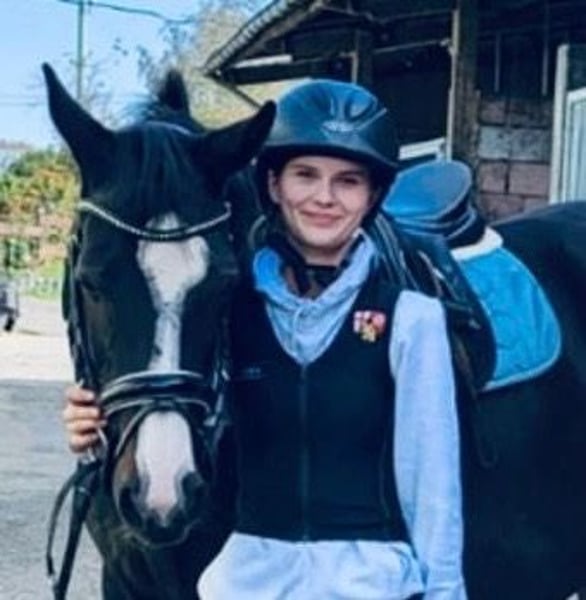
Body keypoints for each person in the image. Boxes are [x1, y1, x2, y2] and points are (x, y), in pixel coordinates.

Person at [63, 79, 466, 600]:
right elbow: (165, 371)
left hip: (368, 586)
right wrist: (95, 421)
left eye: (348, 181)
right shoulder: (228, 312)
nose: (324, 197)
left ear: (372, 197)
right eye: (305, 175)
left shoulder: (412, 320)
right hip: (249, 584)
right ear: (273, 186)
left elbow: (433, 488)